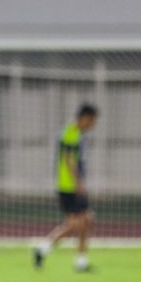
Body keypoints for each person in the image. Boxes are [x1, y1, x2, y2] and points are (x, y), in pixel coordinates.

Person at [34, 104, 98, 272]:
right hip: (69, 186)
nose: (93, 124)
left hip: (71, 185)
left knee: (86, 221)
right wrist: (79, 183)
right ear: (85, 118)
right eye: (92, 120)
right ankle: (43, 248)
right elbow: (69, 160)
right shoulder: (70, 133)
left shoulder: (77, 133)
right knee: (75, 225)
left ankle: (80, 261)